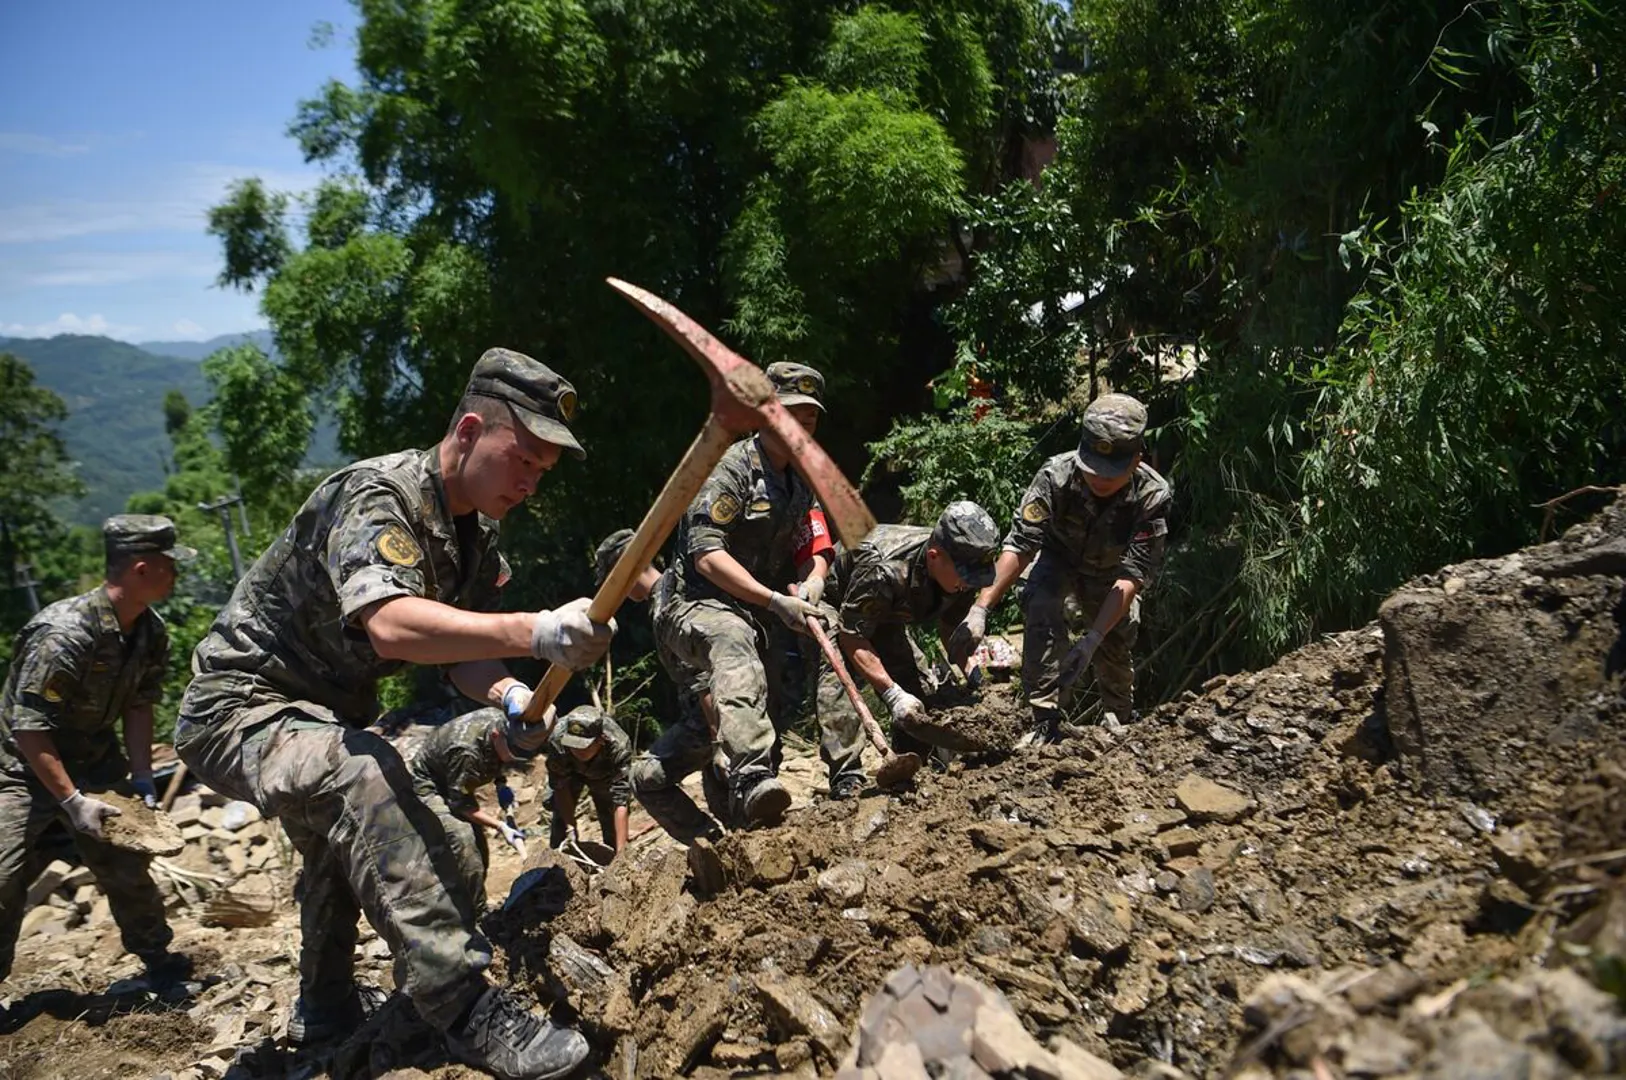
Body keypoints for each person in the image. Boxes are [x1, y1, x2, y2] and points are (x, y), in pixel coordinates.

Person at [173, 349, 613, 1080]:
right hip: (238, 706)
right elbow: (393, 625)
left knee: (336, 835)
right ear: (470, 430)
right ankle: (464, 1006)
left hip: (318, 717)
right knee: (363, 775)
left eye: (545, 470)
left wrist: (508, 695)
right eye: (523, 459)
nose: (531, 483)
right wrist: (535, 630)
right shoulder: (376, 496)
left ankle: (324, 1008)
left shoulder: (474, 533)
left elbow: (454, 647)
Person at [651, 363, 864, 829]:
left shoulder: (801, 478)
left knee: (829, 628)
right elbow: (706, 555)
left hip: (759, 605)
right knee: (732, 643)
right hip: (695, 603)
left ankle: (847, 772)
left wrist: (814, 580)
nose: (798, 430)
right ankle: (749, 777)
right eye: (789, 418)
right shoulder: (731, 470)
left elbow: (815, 541)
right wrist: (772, 601)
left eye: (808, 422)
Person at [0, 515, 195, 990]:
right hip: (22, 768)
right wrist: (72, 802)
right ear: (143, 569)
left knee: (128, 864)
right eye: (171, 565)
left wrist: (143, 777)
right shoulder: (64, 635)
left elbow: (138, 705)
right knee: (3, 879)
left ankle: (157, 960)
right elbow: (29, 729)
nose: (177, 573)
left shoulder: (149, 632)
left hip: (95, 761)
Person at [949, 393, 1172, 743]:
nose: (1099, 480)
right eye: (1093, 468)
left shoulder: (1152, 495)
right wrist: (981, 607)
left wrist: (1093, 637)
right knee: (1041, 604)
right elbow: (1021, 545)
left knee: (1113, 639)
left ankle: (1119, 718)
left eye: (1110, 474)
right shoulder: (1056, 476)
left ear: (1135, 460)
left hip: (1111, 573)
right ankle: (1043, 718)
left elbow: (1134, 574)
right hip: (1058, 558)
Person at [819, 501, 1000, 757]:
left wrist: (973, 673)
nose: (970, 585)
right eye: (966, 576)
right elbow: (852, 635)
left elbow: (949, 629)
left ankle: (914, 763)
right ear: (934, 557)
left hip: (884, 612)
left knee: (919, 697)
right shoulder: (885, 569)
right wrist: (892, 694)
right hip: (836, 601)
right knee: (838, 681)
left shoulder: (957, 574)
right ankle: (847, 779)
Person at [394, 704, 537, 913]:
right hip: (428, 786)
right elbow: (461, 804)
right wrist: (500, 826)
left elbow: (496, 756)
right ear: (497, 735)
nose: (515, 757)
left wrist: (501, 783)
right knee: (465, 839)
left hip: (452, 774)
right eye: (514, 752)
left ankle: (472, 898)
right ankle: (476, 915)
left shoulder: (506, 724)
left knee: (481, 850)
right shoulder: (466, 753)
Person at [541, 705, 631, 855]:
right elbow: (560, 785)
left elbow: (620, 800)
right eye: (573, 745)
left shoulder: (618, 746)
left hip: (603, 774)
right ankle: (559, 859)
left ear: (601, 739)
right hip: (570, 773)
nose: (577, 751)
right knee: (559, 821)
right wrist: (570, 826)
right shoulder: (557, 740)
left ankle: (615, 858)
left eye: (584, 747)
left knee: (611, 825)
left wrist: (621, 853)